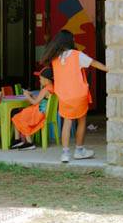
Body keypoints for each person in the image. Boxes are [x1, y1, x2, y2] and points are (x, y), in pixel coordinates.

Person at [41, 29, 108, 163]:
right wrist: (109, 69)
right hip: (78, 94)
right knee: (81, 121)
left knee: (67, 122)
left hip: (64, 95)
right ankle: (79, 150)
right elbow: (93, 63)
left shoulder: (55, 58)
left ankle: (65, 153)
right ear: (69, 41)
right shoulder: (77, 55)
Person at [10, 67, 54, 151]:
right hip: (43, 112)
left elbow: (34, 102)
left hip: (39, 114)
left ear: (46, 79)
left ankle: (29, 142)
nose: (39, 81)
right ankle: (18, 140)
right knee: (18, 116)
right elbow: (41, 99)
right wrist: (31, 94)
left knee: (21, 117)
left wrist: (27, 96)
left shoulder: (45, 89)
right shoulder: (51, 87)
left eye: (40, 79)